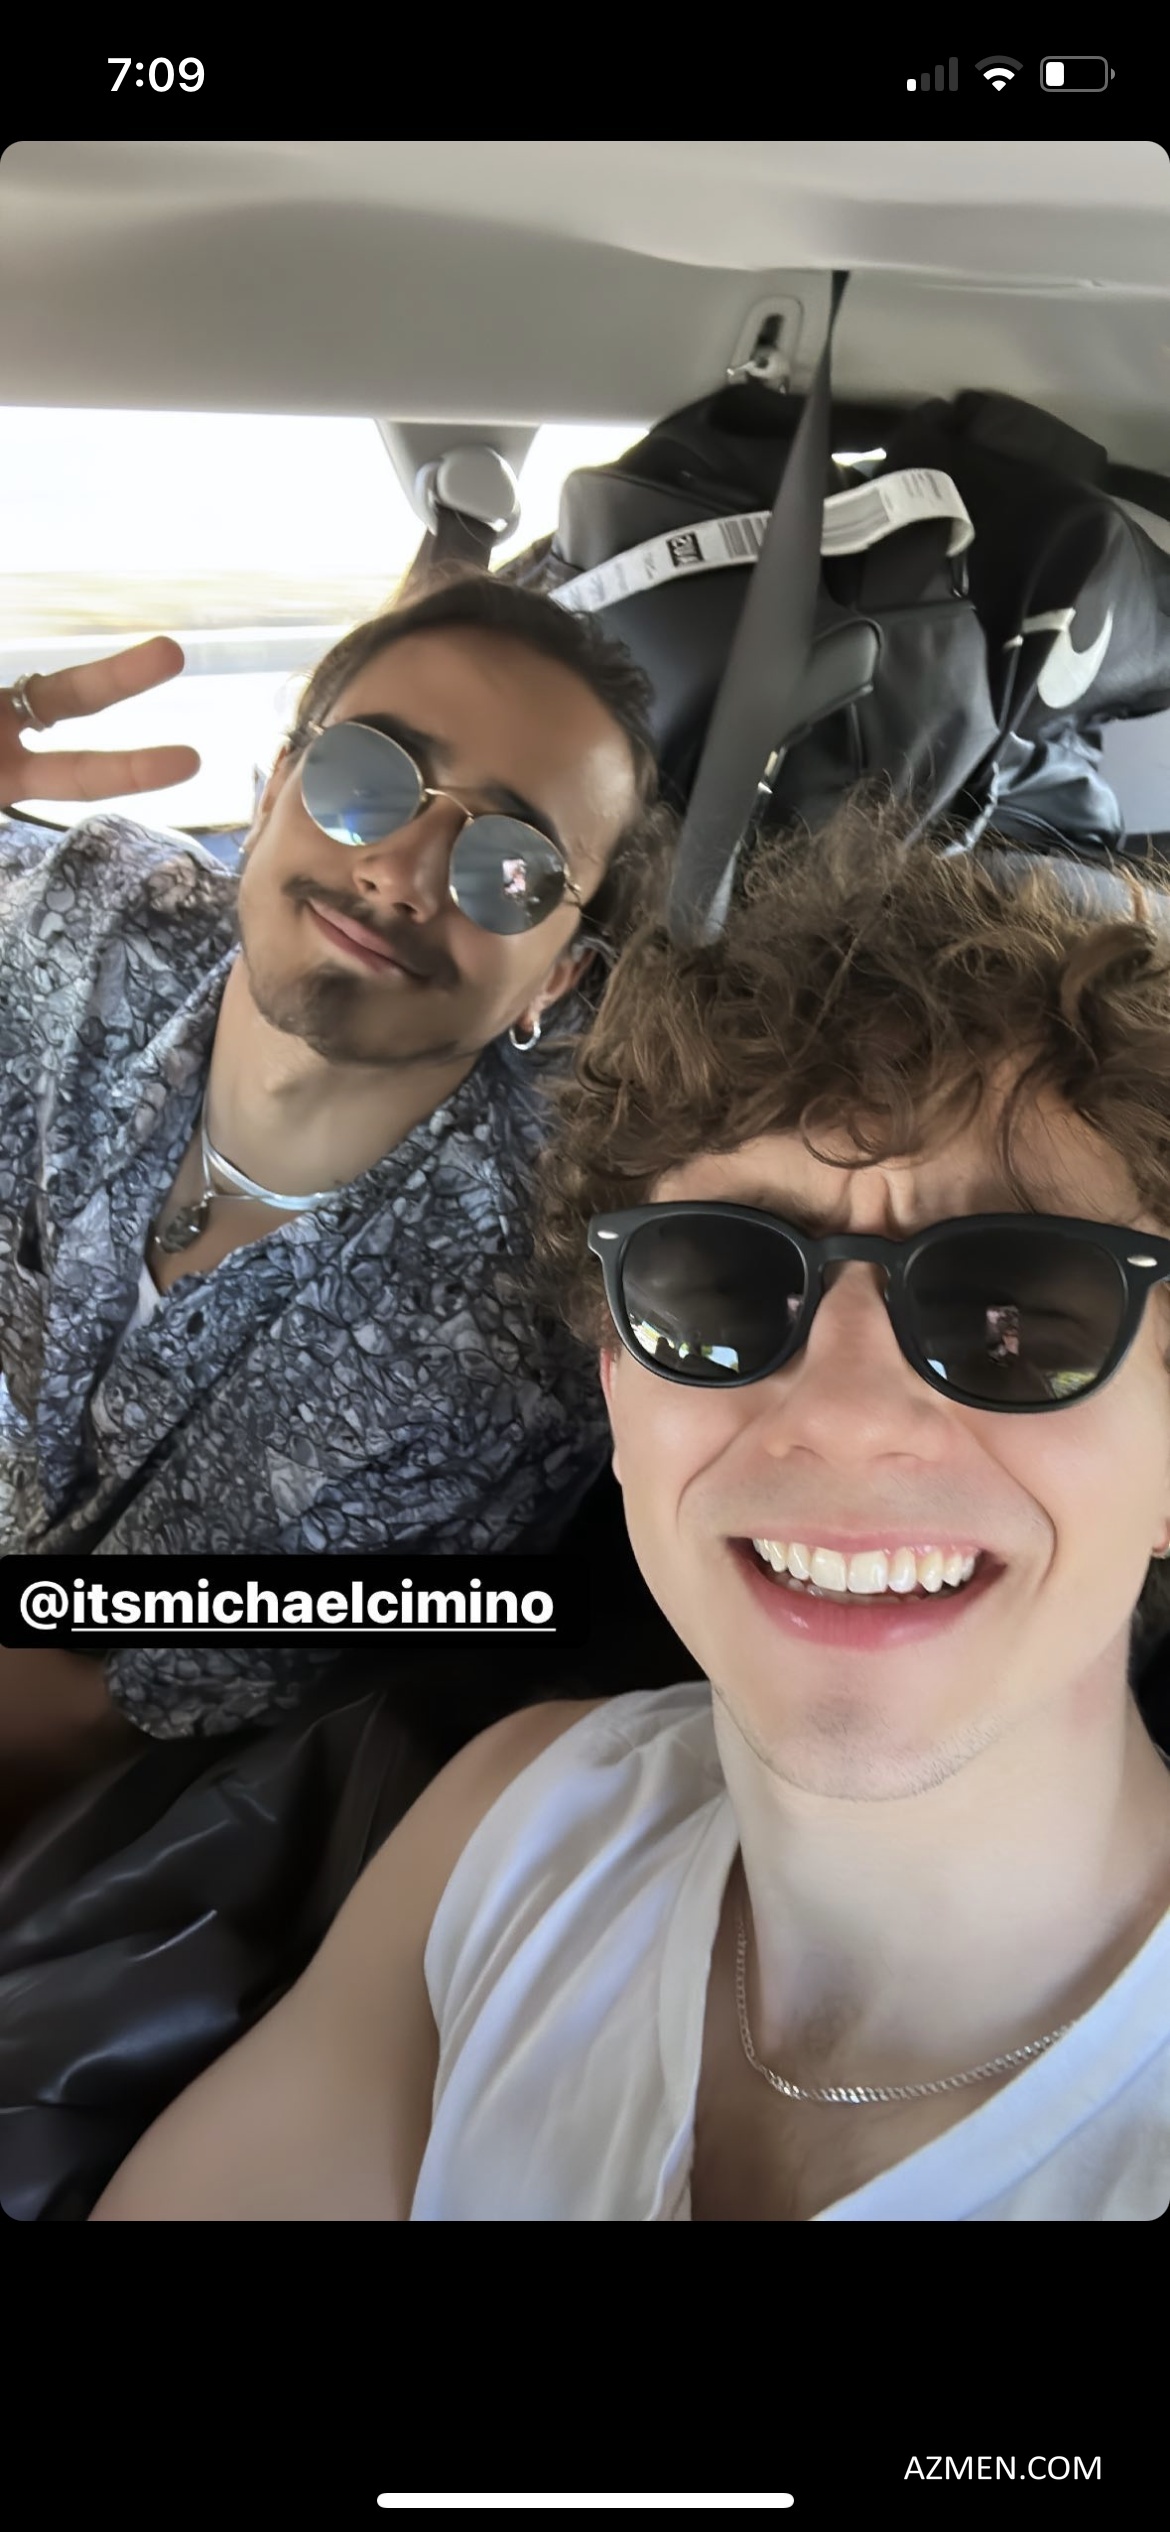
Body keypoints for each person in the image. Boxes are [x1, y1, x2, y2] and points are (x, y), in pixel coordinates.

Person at [88, 789, 1170, 2221]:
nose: (844, 1415)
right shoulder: (526, 1814)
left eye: (1016, 1312)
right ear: (616, 1376)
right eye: (716, 1287)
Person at [0, 577, 674, 1804]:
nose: (403, 871)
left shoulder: (511, 1349)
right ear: (271, 794)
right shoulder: (78, 919)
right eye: (366, 777)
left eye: (510, 866)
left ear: (556, 981)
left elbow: (99, 1714)